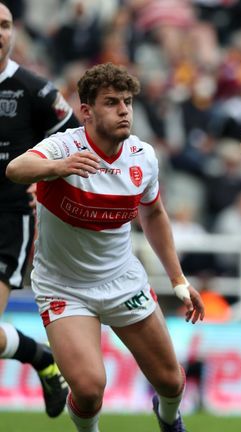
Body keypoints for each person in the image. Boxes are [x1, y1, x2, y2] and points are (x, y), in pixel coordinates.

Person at [5, 63, 205, 432]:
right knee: (89, 389)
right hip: (64, 287)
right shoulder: (64, 146)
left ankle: (168, 419)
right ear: (87, 111)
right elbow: (16, 169)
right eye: (111, 102)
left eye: (127, 102)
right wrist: (58, 167)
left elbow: (155, 214)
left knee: (172, 382)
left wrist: (178, 279)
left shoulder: (142, 157)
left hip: (122, 282)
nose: (124, 110)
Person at [0, 2, 79, 418]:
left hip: (8, 218)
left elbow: (76, 143)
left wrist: (44, 175)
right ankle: (39, 356)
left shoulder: (35, 90)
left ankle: (40, 358)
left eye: (5, 25)